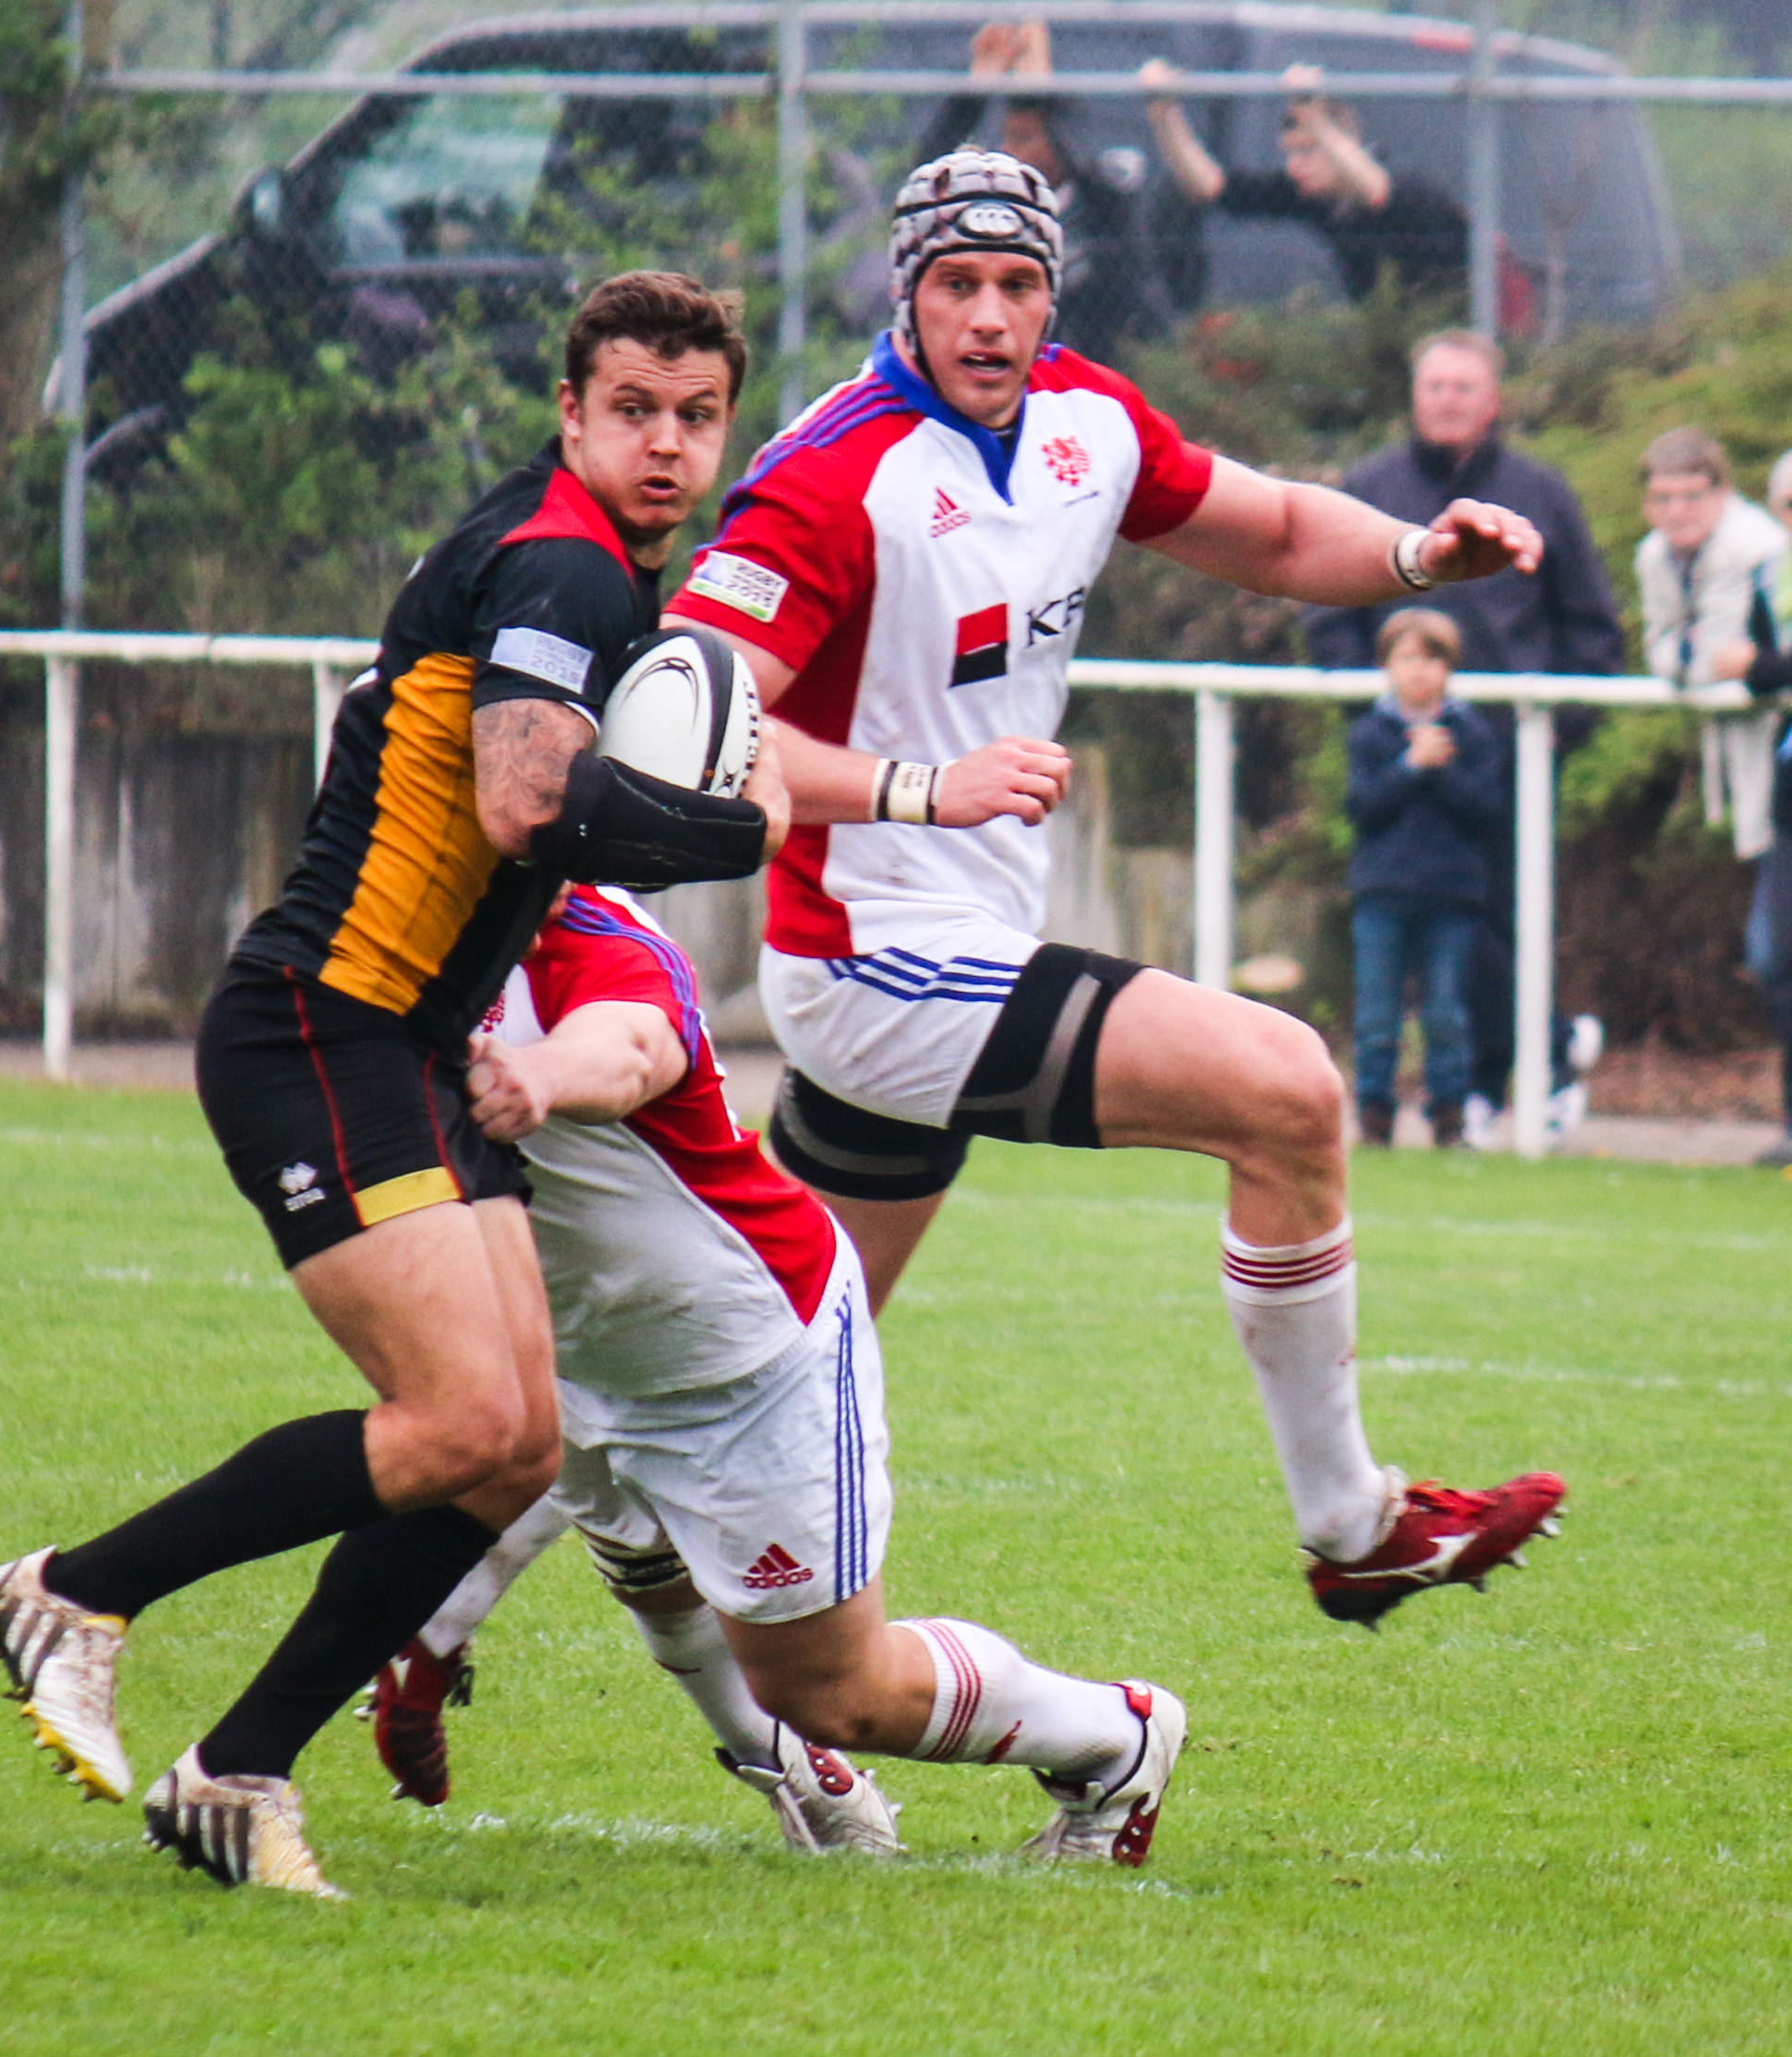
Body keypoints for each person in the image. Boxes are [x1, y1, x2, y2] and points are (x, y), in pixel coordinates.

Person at [658, 150, 1564, 1627]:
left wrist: (1413, 553)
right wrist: (915, 787)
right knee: (1286, 1087)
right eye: (957, 283)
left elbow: (1277, 530)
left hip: (961, 948)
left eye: (1016, 283)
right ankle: (1355, 1522)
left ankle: (438, 1602)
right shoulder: (831, 473)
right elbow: (690, 720)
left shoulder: (1086, 417)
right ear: (906, 293)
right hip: (872, 960)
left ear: (1051, 295)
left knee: (745, 1351)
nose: (988, 315)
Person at [0, 273, 787, 1899]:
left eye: (697, 417)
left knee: (519, 1445)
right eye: (633, 409)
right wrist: (736, 828)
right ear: (570, 412)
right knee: (463, 1418)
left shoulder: (578, 562)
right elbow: (525, 807)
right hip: (323, 1027)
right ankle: (75, 1589)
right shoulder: (560, 561)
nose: (666, 445)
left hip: (411, 1044)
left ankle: (237, 1771)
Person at [368, 885, 1183, 1865]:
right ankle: (792, 1769)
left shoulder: (597, 937)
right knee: (650, 1575)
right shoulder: (386, 937)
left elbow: (630, 1046)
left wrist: (532, 1077)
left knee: (838, 1691)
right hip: (566, 1338)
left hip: (740, 1352)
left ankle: (1116, 1735)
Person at [1305, 330, 1623, 1147]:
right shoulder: (1370, 488)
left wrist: (1555, 735)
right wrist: (1380, 723)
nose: (1448, 400)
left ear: (1493, 400)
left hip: (1508, 761)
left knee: (1499, 922)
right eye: (1435, 386)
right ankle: (1518, 1065)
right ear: (1415, 395)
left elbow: (1591, 628)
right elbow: (1328, 610)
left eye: (1464, 387)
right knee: (1423, 935)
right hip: (1399, 766)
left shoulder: (1539, 493)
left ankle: (1527, 1069)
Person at [1638, 429, 1792, 1167]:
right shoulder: (1663, 556)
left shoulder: (1756, 551)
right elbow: (1682, 655)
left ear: (1723, 495)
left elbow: (1741, 660)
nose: (1677, 511)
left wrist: (1753, 667)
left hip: (1771, 758)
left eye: (1691, 495)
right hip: (1781, 779)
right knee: (1775, 956)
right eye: (1662, 497)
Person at [910, 21, 1191, 367]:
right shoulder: (991, 205)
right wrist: (978, 86)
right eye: (1008, 138)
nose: (1011, 152)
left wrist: (1038, 88)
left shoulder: (1101, 202)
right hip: (1002, 359)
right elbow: (926, 177)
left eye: (1025, 139)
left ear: (1059, 141)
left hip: (1087, 363)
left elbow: (1080, 162)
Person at [1344, 611, 1509, 1148]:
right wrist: (1409, 766)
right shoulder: (1370, 734)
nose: (1419, 671)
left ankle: (1449, 1117)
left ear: (1449, 667)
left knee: (1446, 1013)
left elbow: (1485, 810)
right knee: (1377, 1016)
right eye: (1407, 658)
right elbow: (1363, 808)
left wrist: (1442, 770)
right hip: (1382, 892)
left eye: (1431, 659)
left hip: (1450, 895)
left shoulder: (1472, 735)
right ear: (1387, 665)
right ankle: (1374, 1116)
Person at [1139, 62, 1469, 307]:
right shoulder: (1312, 194)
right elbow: (1210, 186)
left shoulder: (1405, 185)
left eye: (1308, 151)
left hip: (1457, 322)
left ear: (1346, 141)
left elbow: (1377, 192)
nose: (1294, 166)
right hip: (1387, 336)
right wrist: (1163, 113)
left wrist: (1314, 117)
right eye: (1290, 153)